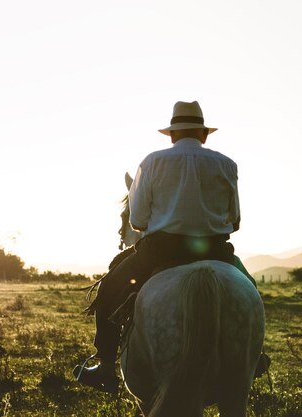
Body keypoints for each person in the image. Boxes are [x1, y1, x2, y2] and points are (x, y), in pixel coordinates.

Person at [73, 101, 262, 394]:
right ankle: (254, 356)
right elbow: (234, 220)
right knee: (250, 290)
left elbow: (137, 220)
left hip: (161, 250)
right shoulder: (226, 164)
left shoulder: (151, 162)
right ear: (204, 134)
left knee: (110, 288)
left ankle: (106, 367)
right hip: (214, 249)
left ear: (172, 135)